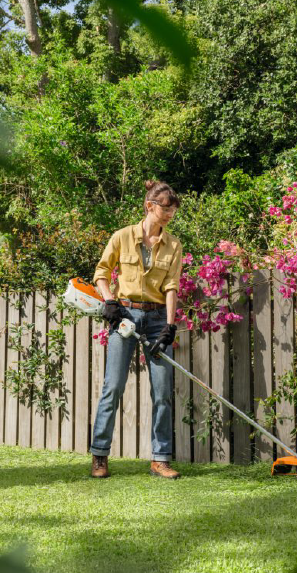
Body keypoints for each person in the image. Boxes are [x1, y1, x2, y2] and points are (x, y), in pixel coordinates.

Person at [90, 180, 183, 479]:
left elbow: (171, 287)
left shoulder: (173, 245)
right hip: (126, 316)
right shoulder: (121, 237)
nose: (168, 215)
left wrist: (169, 326)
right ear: (149, 206)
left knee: (162, 391)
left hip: (156, 318)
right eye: (164, 210)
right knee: (113, 387)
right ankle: (100, 456)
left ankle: (160, 459)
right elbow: (102, 273)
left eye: (172, 211)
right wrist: (110, 303)